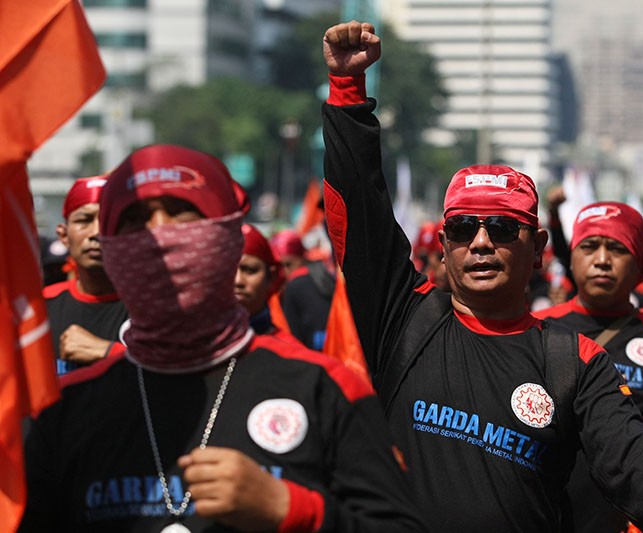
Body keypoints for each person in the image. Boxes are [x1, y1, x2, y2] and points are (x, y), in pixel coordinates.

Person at [321, 20, 643, 532]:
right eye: (462, 228)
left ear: (539, 249)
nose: (480, 241)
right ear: (443, 243)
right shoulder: (402, 319)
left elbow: (632, 459)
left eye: (501, 227)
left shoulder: (576, 363)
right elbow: (358, 206)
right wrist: (347, 90)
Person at [21, 144, 426, 532]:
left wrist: (293, 511)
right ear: (111, 249)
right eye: (135, 218)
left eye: (182, 213)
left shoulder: (323, 389)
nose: (160, 236)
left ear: (231, 240)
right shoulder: (65, 411)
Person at [534, 201, 643, 532]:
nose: (602, 261)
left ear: (640, 265)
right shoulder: (535, 329)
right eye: (590, 246)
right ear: (572, 257)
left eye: (617, 248)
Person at [43, 176, 128, 376]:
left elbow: (179, 373)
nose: (96, 232)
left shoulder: (155, 307)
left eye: (107, 221)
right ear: (63, 236)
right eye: (84, 220)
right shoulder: (39, 308)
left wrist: (110, 352)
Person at [271, 229, 335, 350]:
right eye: (279, 267)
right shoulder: (325, 274)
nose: (284, 272)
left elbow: (295, 338)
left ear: (302, 258)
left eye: (288, 265)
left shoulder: (295, 285)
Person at [236, 223, 286, 334]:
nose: (238, 281)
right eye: (229, 270)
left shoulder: (287, 350)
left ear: (271, 277)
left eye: (250, 270)